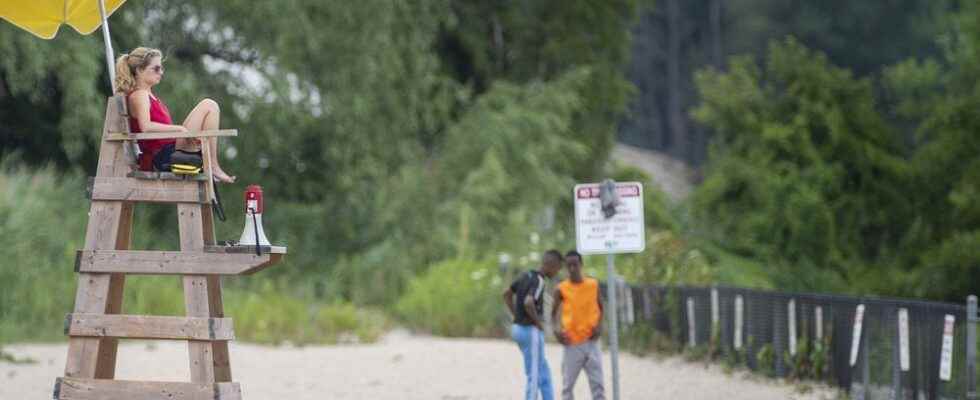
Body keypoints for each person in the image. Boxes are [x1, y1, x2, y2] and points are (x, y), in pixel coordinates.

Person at [114, 47, 236, 182]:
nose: (161, 72)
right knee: (209, 105)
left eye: (161, 69)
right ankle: (213, 164)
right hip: (163, 156)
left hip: (171, 150)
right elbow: (146, 127)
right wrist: (180, 129)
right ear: (139, 70)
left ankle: (211, 162)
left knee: (210, 106)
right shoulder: (139, 95)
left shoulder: (150, 96)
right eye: (156, 68)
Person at [504, 249, 563, 400]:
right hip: (530, 330)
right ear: (551, 265)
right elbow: (529, 302)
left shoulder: (526, 275)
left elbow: (506, 293)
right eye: (558, 268)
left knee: (543, 370)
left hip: (518, 329)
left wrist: (516, 315)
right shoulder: (539, 280)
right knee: (534, 374)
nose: (557, 272)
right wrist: (538, 323)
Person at [551, 250, 605, 400]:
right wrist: (556, 332)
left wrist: (600, 326)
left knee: (598, 385)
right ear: (565, 267)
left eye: (575, 264)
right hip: (571, 344)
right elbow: (553, 313)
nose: (572, 269)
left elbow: (601, 307)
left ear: (581, 264)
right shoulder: (561, 288)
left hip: (592, 341)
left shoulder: (593, 284)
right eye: (569, 266)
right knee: (567, 387)